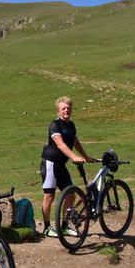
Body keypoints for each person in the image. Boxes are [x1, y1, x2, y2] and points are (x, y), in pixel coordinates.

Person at [39, 96, 94, 237]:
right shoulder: (55, 125)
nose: (66, 110)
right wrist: (74, 157)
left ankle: (64, 226)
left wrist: (85, 156)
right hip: (50, 163)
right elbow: (60, 144)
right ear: (58, 111)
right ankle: (46, 228)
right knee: (49, 196)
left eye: (68, 108)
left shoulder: (71, 125)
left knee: (70, 195)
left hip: (61, 165)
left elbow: (74, 141)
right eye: (63, 108)